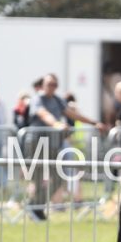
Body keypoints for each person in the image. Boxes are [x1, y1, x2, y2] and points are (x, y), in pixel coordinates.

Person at [26, 73, 105, 220]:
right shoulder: (37, 98)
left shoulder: (57, 100)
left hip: (53, 144)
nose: (52, 87)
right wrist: (57, 124)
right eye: (49, 84)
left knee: (59, 177)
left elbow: (72, 114)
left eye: (55, 84)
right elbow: (43, 114)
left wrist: (94, 123)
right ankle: (36, 208)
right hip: (37, 143)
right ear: (43, 85)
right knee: (38, 178)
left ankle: (36, 205)